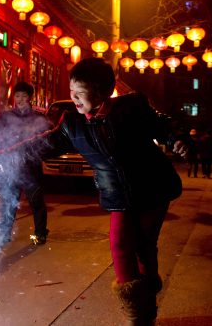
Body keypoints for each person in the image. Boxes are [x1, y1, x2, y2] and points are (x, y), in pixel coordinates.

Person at [47, 58, 182, 325]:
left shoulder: (132, 108)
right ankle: (137, 312)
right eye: (71, 91)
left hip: (153, 190)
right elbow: (40, 145)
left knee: (143, 247)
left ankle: (147, 304)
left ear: (101, 92)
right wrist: (2, 159)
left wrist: (178, 139)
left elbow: (162, 126)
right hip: (118, 197)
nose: (73, 98)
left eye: (79, 93)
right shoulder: (71, 124)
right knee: (120, 246)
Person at [0, 81, 51, 246]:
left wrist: (34, 151)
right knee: (8, 201)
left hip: (30, 168)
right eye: (17, 96)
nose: (20, 99)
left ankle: (40, 234)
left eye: (24, 96)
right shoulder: (6, 117)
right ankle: (4, 233)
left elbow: (47, 142)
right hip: (10, 166)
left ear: (30, 98)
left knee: (36, 202)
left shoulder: (38, 118)